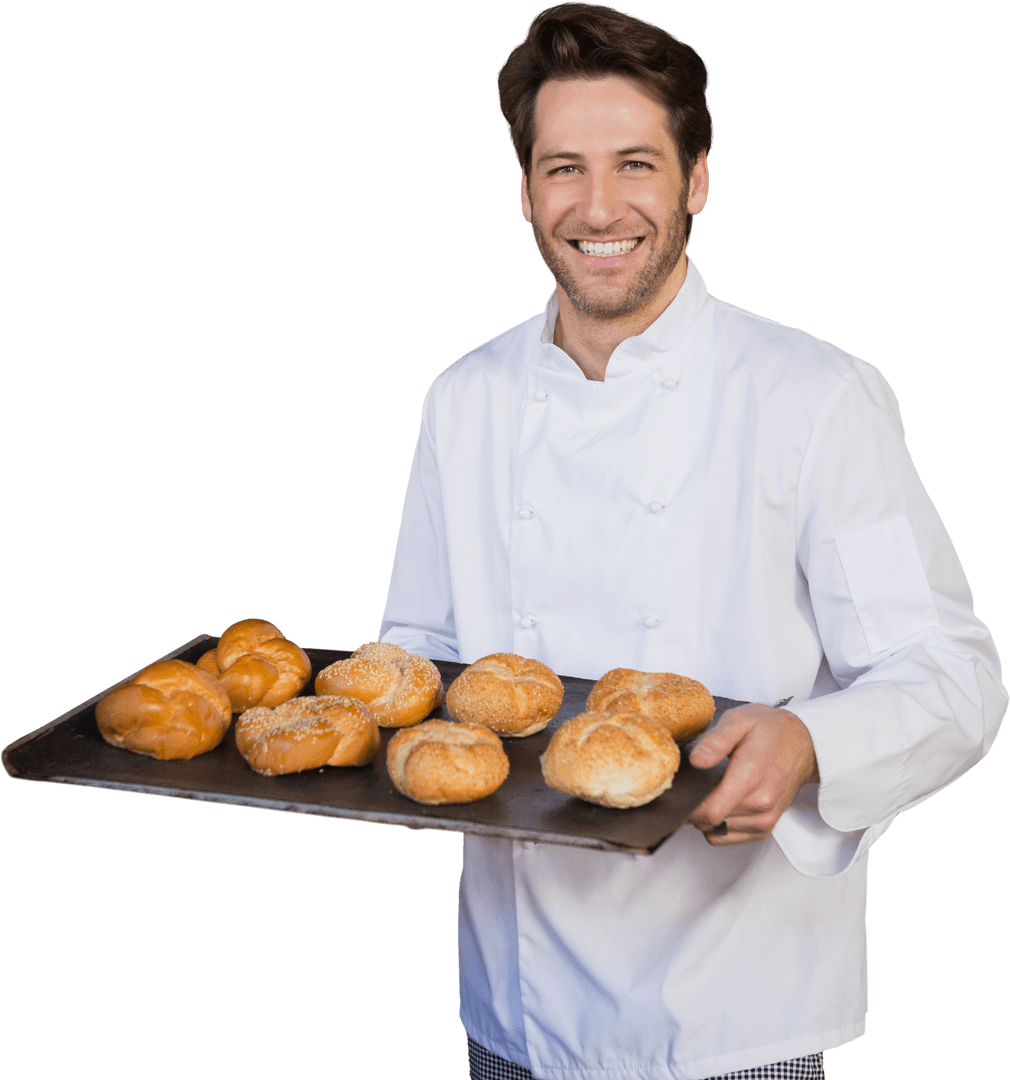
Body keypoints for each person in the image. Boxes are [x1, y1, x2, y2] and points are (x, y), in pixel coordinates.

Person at [378, 4, 1006, 1079]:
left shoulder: (813, 396)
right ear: (524, 191)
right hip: (511, 1011)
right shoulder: (462, 399)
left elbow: (950, 677)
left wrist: (809, 744)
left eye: (635, 163)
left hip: (734, 1018)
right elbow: (418, 659)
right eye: (562, 168)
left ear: (695, 179)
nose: (599, 206)